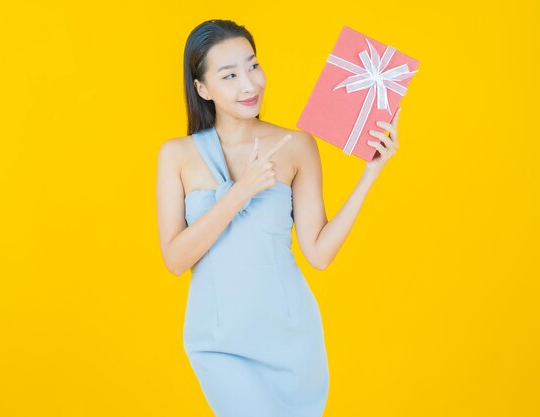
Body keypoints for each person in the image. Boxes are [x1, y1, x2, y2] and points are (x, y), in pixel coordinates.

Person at [156, 19, 400, 417]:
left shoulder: (297, 145)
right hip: (219, 339)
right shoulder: (176, 155)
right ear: (202, 88)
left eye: (253, 66)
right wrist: (240, 192)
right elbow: (175, 259)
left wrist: (370, 173)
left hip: (289, 336)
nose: (249, 84)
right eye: (230, 75)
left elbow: (318, 254)